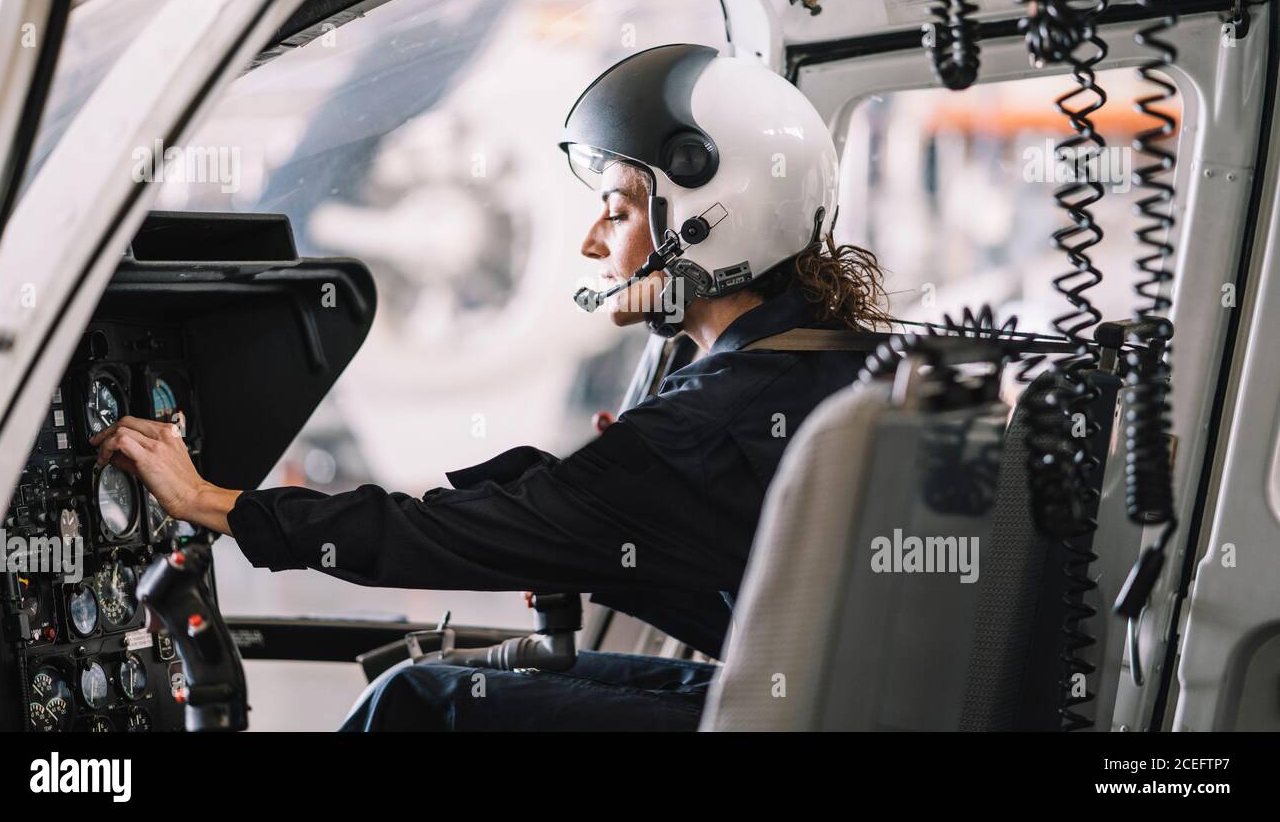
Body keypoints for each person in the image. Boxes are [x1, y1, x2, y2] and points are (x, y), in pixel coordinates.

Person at [89, 43, 890, 730]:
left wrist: (212, 503)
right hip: (844, 707)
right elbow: (726, 576)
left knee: (416, 702)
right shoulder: (825, 362)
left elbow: (437, 536)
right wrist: (567, 512)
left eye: (615, 211)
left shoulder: (708, 422)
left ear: (707, 222)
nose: (589, 242)